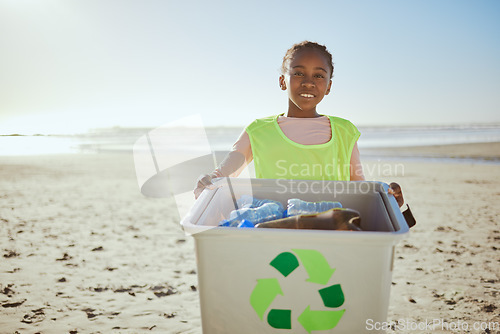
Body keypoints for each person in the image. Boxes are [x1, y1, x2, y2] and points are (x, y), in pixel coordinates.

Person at [194, 41, 415, 227]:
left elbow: (359, 191)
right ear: (282, 81)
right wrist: (208, 181)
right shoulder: (258, 131)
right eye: (298, 73)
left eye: (319, 76)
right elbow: (225, 173)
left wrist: (389, 202)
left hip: (331, 231)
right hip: (274, 228)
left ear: (328, 86)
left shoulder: (344, 131)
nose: (308, 82)